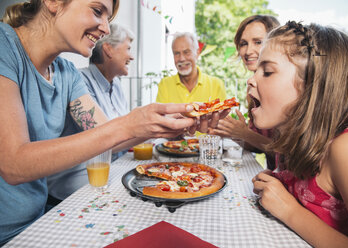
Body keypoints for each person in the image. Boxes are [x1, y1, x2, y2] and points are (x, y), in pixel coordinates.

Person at [0, 0, 227, 245]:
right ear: (53, 2)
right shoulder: (5, 47)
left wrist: (169, 126)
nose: (106, 29)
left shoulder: (66, 72)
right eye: (98, 11)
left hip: (40, 220)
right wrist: (128, 123)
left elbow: (106, 137)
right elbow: (13, 165)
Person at [251, 21, 348, 247]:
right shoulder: (295, 141)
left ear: (313, 87)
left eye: (267, 71)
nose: (251, 79)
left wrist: (289, 210)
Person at [46, 23, 134, 204]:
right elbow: (102, 141)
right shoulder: (80, 81)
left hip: (109, 176)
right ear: (108, 50)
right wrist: (147, 128)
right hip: (76, 190)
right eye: (128, 49)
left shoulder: (115, 84)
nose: (131, 56)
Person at [209, 15, 279, 169]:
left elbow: (290, 152)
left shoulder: (287, 89)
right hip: (273, 179)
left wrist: (244, 134)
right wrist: (232, 132)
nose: (248, 51)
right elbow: (257, 146)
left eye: (258, 42)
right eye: (243, 44)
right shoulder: (252, 90)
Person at [156, 32, 226, 104]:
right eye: (177, 53)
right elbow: (161, 115)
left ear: (197, 53)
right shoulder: (165, 85)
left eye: (186, 52)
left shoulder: (216, 85)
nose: (182, 58)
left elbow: (222, 114)